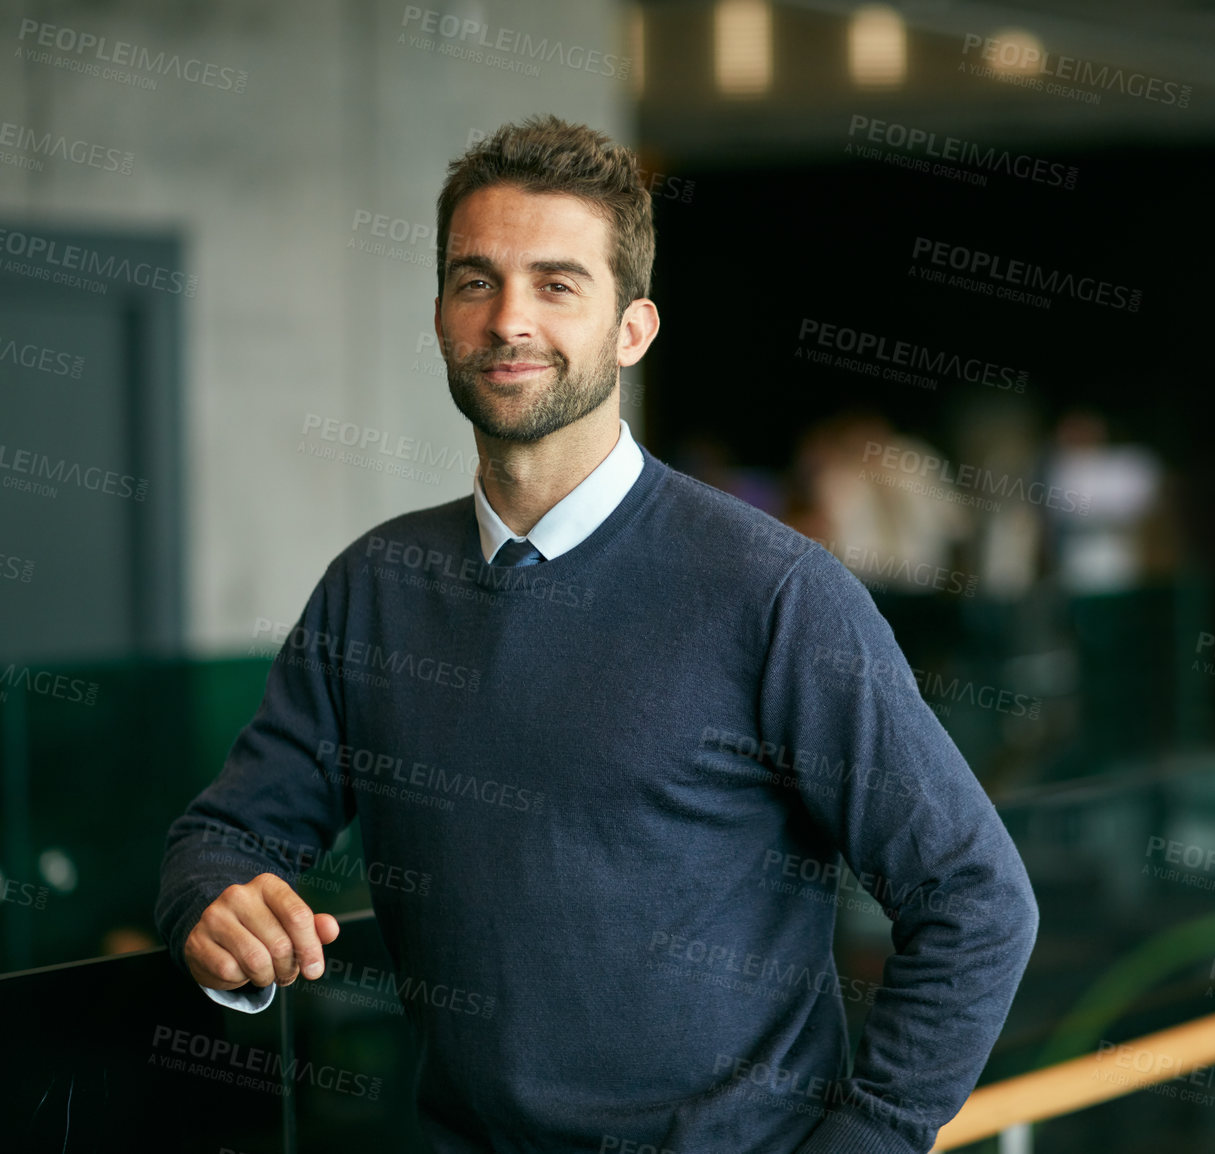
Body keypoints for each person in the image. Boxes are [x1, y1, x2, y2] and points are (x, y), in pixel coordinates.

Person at [154, 115, 1038, 1154]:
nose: (508, 319)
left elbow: (976, 898)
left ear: (633, 328)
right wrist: (211, 907)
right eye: (474, 279)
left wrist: (871, 1137)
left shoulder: (775, 592)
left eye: (557, 282)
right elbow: (222, 836)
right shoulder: (376, 587)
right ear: (439, 312)